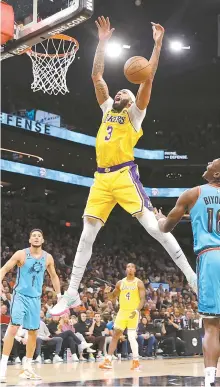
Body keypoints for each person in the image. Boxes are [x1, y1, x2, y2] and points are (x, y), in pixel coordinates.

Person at [51, 16, 196, 317]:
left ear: (132, 102)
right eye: (119, 93)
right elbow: (96, 76)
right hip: (101, 180)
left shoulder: (135, 116)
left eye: (125, 94)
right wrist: (102, 43)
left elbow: (148, 80)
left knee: (155, 229)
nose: (119, 94)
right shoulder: (107, 109)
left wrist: (157, 47)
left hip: (124, 174)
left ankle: (193, 279)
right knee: (86, 234)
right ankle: (72, 293)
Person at [155, 158, 220, 387]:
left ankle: (210, 378)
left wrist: (161, 219)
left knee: (212, 325)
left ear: (217, 174)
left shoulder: (192, 194)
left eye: (213, 163)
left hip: (211, 256)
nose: (209, 162)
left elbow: (165, 228)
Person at [0, 229, 61, 383]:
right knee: (13, 328)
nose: (36, 237)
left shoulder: (48, 258)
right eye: (33, 235)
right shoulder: (21, 254)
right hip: (20, 296)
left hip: (35, 298)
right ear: (29, 239)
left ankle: (27, 368)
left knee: (33, 332)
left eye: (39, 236)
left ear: (43, 240)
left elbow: (53, 276)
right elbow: (5, 268)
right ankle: (2, 367)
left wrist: (59, 295)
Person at [99, 263, 146, 370]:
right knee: (115, 335)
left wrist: (137, 310)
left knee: (131, 336)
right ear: (125, 270)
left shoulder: (139, 283)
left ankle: (136, 361)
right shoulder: (120, 283)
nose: (130, 268)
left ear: (135, 270)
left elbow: (142, 299)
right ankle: (108, 360)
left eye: (132, 267)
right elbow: (112, 296)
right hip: (122, 312)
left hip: (133, 312)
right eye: (128, 267)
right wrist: (107, 293)